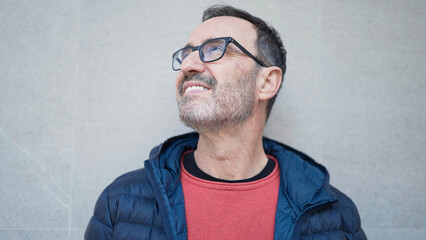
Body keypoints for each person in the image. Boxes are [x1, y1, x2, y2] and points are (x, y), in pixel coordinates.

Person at [85, 5, 366, 240]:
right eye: (187, 54)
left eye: (215, 49)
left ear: (266, 83)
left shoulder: (336, 219)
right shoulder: (120, 204)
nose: (187, 66)